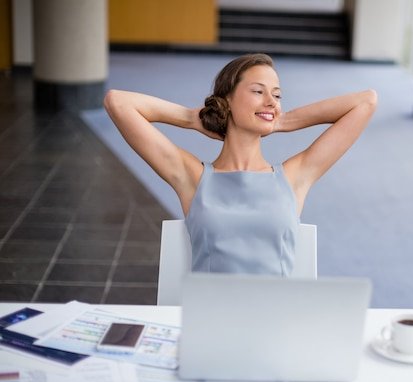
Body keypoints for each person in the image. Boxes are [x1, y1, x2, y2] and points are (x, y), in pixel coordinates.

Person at [104, 53, 377, 276]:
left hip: (276, 325)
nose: (271, 101)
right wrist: (191, 117)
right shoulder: (192, 177)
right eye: (258, 91)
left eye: (277, 95)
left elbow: (366, 102)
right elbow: (118, 102)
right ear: (227, 101)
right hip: (212, 324)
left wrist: (283, 119)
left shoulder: (295, 176)